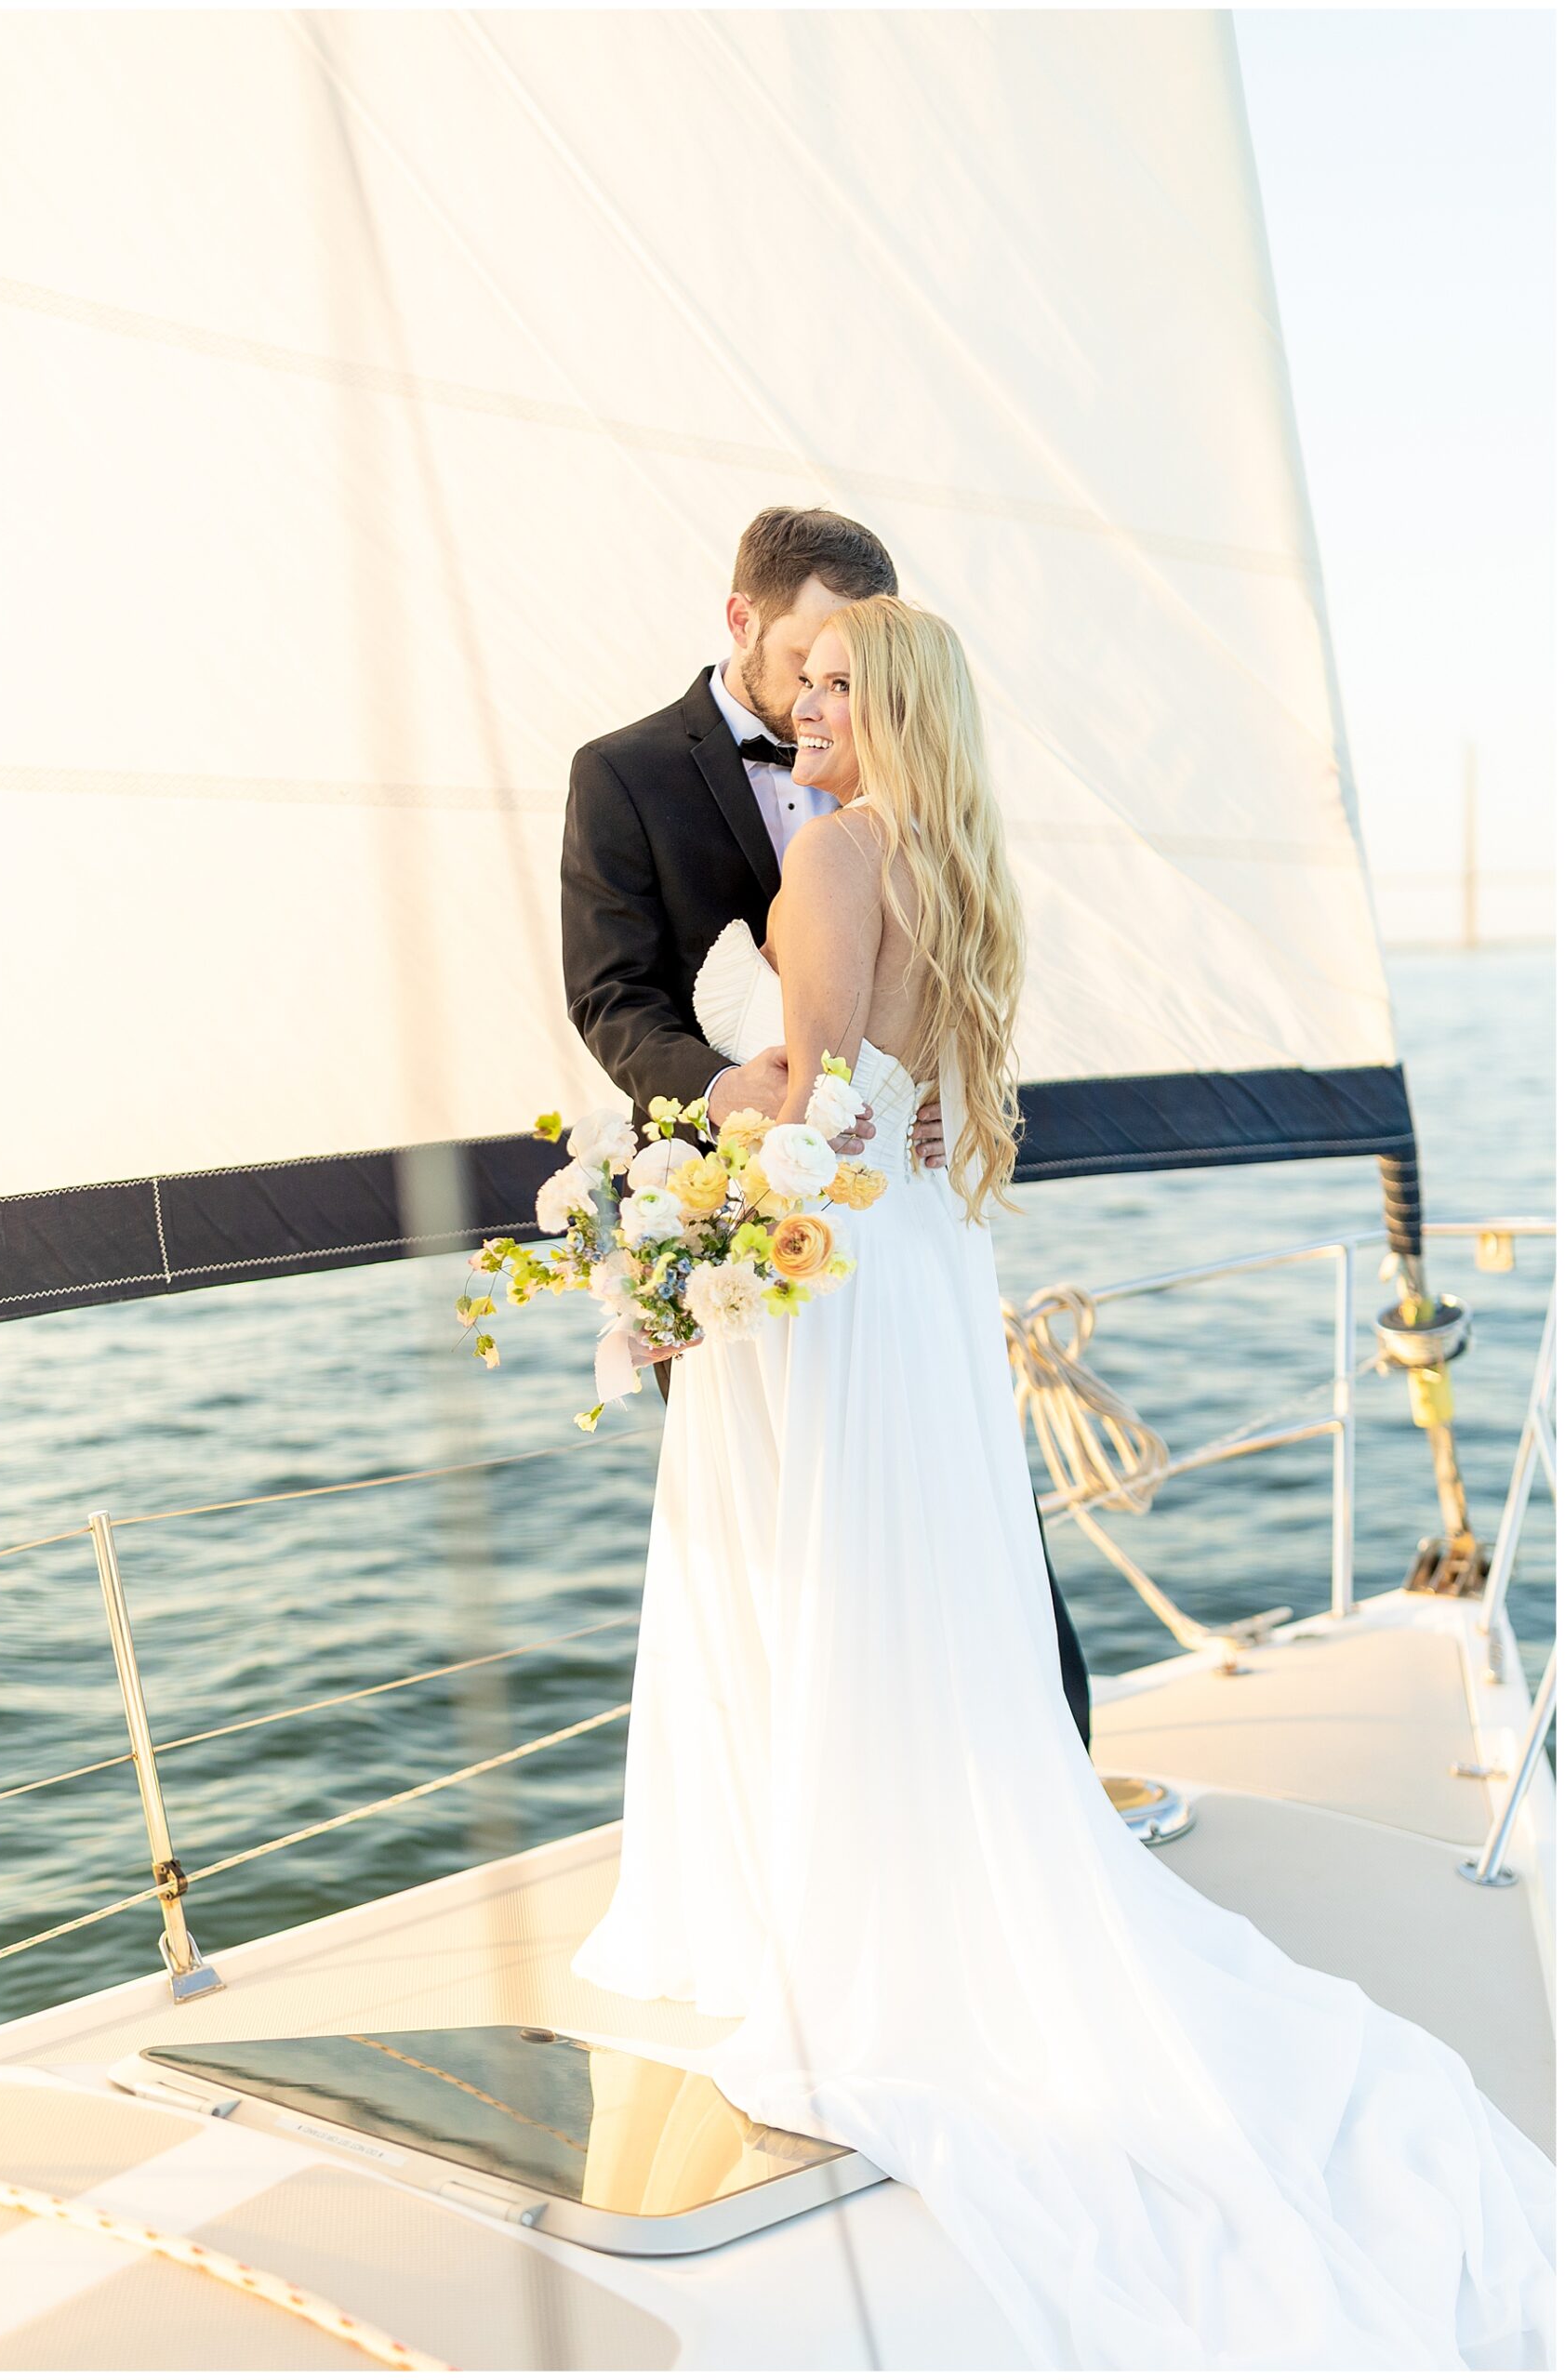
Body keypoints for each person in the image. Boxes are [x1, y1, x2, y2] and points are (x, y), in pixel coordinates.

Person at [568, 596, 1555, 2367]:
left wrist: (667, 1220)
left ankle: (837, 1882)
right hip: (926, 1258)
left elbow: (817, 1112)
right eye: (800, 687)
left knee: (839, 1574)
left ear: (898, 710)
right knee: (914, 1568)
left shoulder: (834, 872)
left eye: (841, 691)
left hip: (843, 1261)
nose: (808, 713)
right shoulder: (949, 864)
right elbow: (926, 1105)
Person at [561, 505, 1091, 1747]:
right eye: (805, 661)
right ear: (741, 617)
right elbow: (611, 998)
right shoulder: (624, 773)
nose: (811, 691)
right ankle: (888, 1802)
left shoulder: (872, 840)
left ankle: (1020, 1779)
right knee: (807, 1544)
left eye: (841, 676)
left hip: (827, 1210)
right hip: (780, 1204)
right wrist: (720, 1090)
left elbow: (896, 1034)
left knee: (919, 1509)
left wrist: (898, 1107)